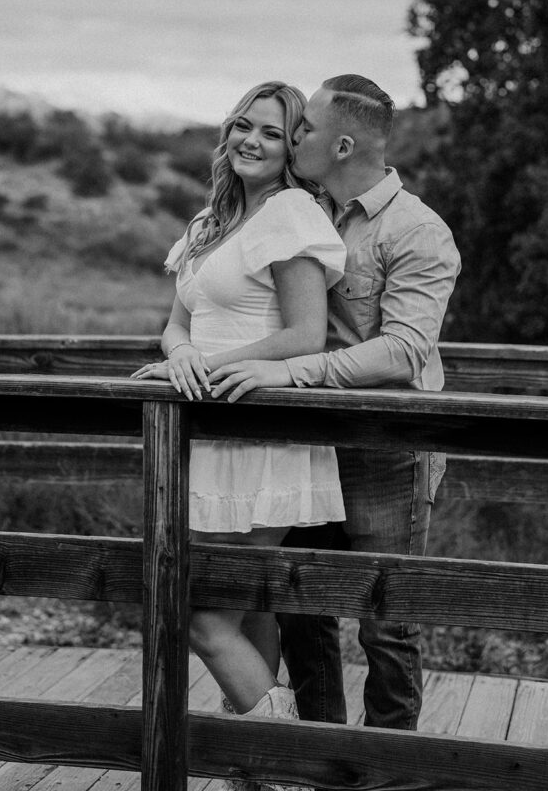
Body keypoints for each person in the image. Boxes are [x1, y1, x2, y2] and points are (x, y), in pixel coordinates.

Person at [209, 74, 461, 733]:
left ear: (343, 143)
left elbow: (403, 351)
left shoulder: (417, 230)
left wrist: (294, 371)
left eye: (306, 129)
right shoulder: (302, 210)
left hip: (385, 449)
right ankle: (317, 760)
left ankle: (387, 773)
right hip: (310, 442)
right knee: (299, 609)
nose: (295, 137)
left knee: (387, 624)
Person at [131, 81, 347, 773]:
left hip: (263, 438)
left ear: (292, 151)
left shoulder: (289, 212)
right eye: (243, 126)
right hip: (207, 436)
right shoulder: (209, 222)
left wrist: (213, 364)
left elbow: (305, 334)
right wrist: (181, 356)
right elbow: (177, 322)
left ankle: (284, 764)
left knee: (199, 614)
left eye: (273, 133)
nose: (251, 140)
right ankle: (256, 770)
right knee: (248, 612)